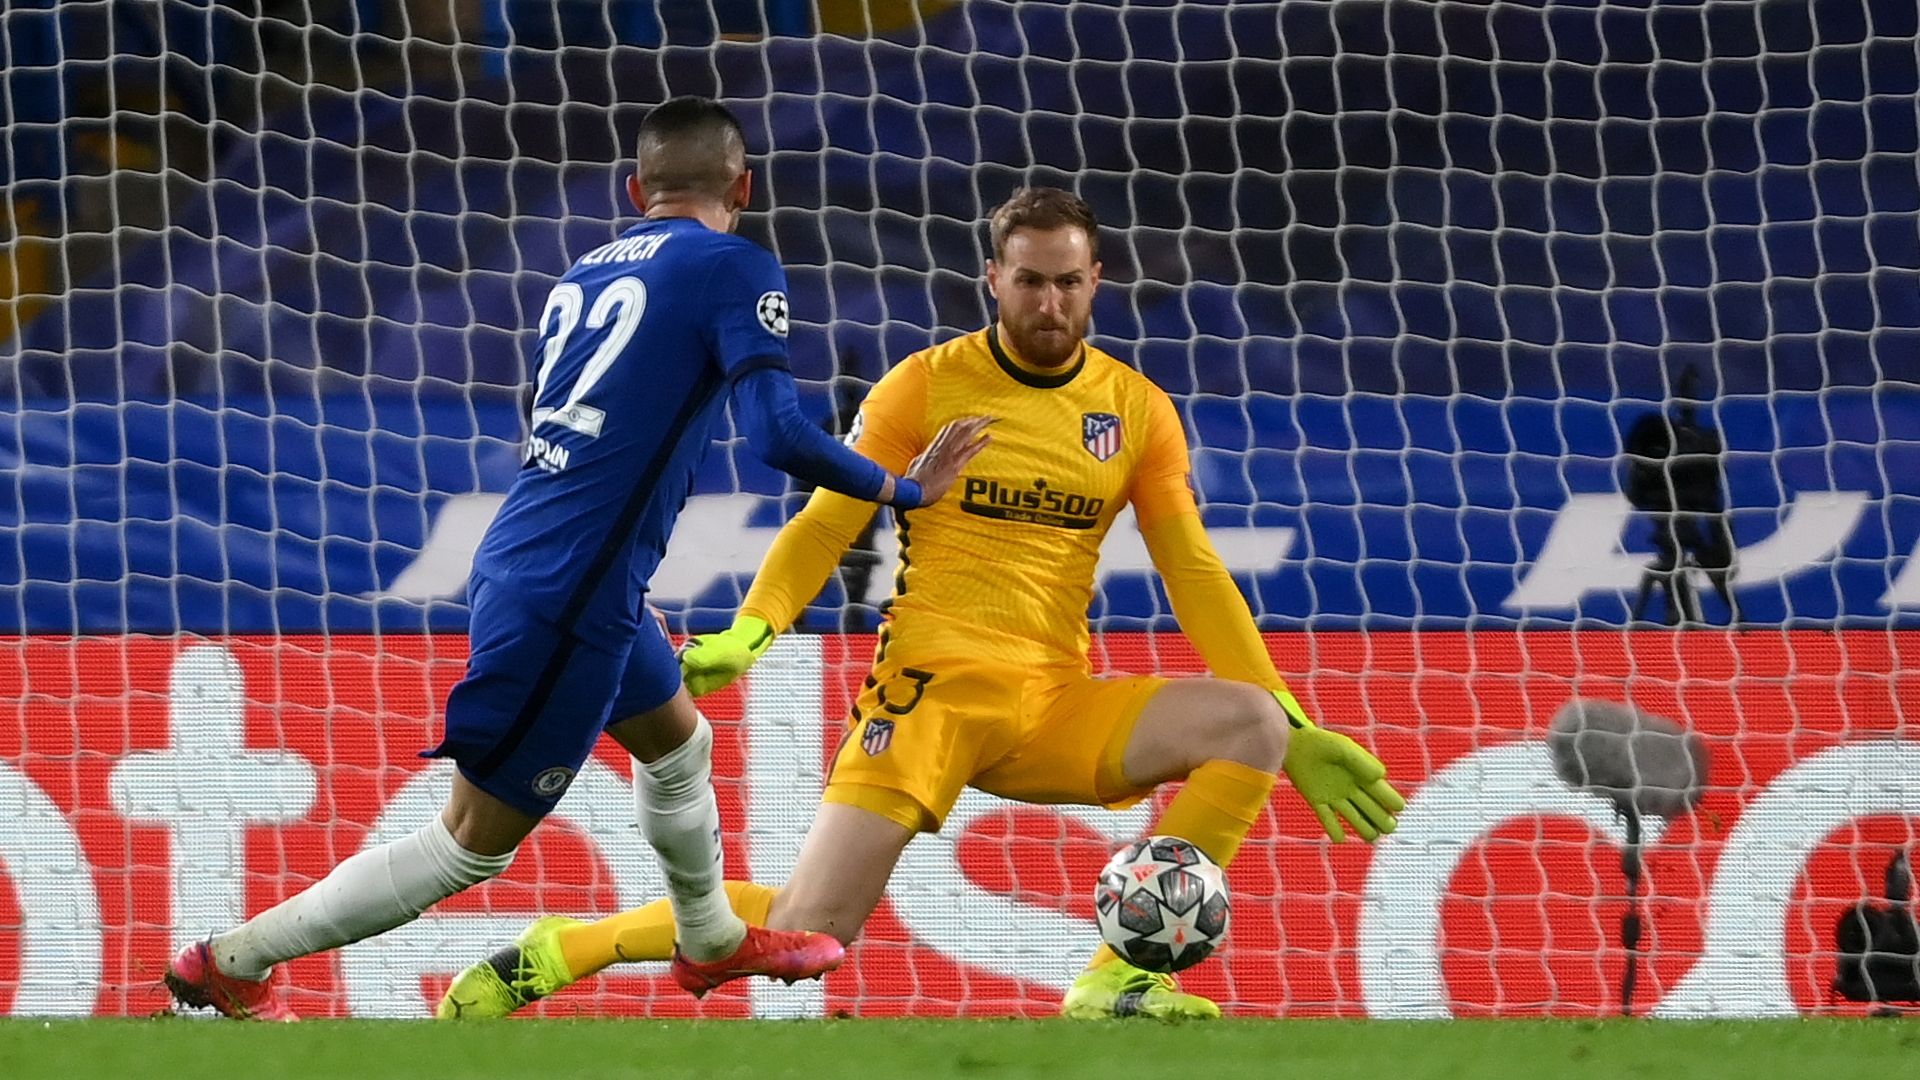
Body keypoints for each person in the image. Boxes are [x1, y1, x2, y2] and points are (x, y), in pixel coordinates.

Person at [438, 187, 1403, 1022]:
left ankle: (1119, 979)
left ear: (1097, 281)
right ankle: (569, 947)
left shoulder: (1137, 410)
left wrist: (1290, 715)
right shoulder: (928, 385)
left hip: (1050, 702)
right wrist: (754, 628)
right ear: (994, 279)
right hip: (928, 696)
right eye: (1029, 280)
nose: (1049, 302)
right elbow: (825, 523)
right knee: (809, 935)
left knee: (1246, 726)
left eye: (1067, 282)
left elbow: (1194, 572)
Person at [163, 96, 990, 1021]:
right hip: (571, 592)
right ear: (744, 188)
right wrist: (906, 488)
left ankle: (709, 940)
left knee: (679, 742)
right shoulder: (733, 264)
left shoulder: (584, 273)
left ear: (637, 189)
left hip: (551, 560)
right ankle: (232, 960)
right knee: (471, 845)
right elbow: (778, 433)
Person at [1623, 366, 1737, 625]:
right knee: (1669, 566)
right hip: (1675, 518)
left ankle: (1728, 615)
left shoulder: (1703, 444)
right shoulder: (1650, 442)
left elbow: (1711, 486)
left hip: (1692, 518)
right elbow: (1636, 488)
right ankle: (1676, 614)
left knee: (1701, 564)